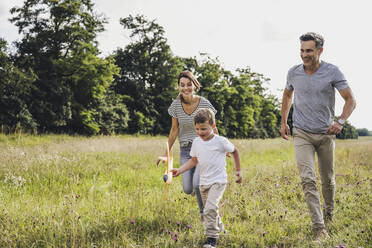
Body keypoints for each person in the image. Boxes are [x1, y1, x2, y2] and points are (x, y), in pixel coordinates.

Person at [280, 32, 356, 241]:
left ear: (320, 50)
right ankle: (319, 227)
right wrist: (284, 121)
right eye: (302, 50)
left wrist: (340, 121)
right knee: (307, 179)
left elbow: (350, 100)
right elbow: (287, 95)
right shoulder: (294, 73)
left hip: (325, 134)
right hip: (301, 132)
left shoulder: (332, 72)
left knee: (328, 180)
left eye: (309, 50)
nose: (304, 55)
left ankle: (329, 213)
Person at [171, 108, 242, 248]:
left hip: (219, 181)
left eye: (203, 128)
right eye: (197, 129)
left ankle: (212, 238)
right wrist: (179, 170)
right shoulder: (197, 142)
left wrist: (238, 171)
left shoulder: (220, 141)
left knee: (209, 209)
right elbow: (193, 160)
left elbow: (235, 151)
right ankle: (221, 228)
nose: (200, 132)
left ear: (213, 126)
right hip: (204, 183)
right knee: (211, 210)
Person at [157, 70, 218, 218]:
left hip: (202, 148)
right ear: (178, 87)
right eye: (182, 85)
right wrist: (166, 153)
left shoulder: (204, 103)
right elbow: (174, 130)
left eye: (189, 85)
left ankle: (204, 213)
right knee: (187, 188)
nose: (186, 88)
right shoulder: (175, 106)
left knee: (198, 184)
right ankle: (201, 195)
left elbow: (213, 128)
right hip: (185, 150)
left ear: (194, 85)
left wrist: (221, 146)